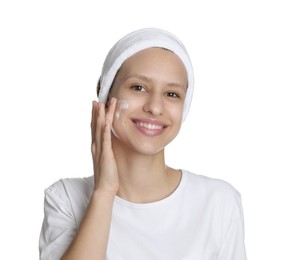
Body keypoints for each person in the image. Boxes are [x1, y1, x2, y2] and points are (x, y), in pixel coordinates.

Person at [39, 27, 247, 260]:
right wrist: (104, 192)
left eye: (172, 94)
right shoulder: (65, 199)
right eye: (138, 87)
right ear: (106, 95)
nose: (155, 107)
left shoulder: (219, 202)